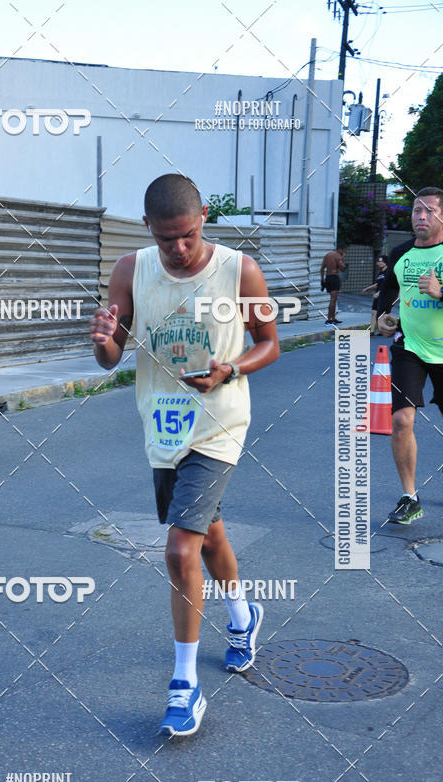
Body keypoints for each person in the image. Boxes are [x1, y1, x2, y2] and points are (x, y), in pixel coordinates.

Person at [89, 174, 279, 737]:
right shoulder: (131, 270)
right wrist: (102, 340)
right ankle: (243, 618)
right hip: (164, 426)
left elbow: (269, 343)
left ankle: (185, 685)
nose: (179, 248)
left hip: (220, 425)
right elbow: (109, 358)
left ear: (203, 222)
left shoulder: (239, 270)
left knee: (178, 549)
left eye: (189, 235)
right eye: (167, 237)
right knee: (207, 534)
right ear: (149, 228)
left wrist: (230, 369)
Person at [377, 187, 443, 525]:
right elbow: (389, 287)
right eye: (417, 210)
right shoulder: (401, 252)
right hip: (410, 347)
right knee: (402, 420)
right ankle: (409, 497)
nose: (421, 216)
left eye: (429, 211)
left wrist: (440, 291)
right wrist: (382, 314)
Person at [361, 253, 388, 335]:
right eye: (378, 261)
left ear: (386, 262)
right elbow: (377, 284)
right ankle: (372, 331)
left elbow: (385, 285)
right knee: (374, 312)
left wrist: (379, 293)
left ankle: (384, 329)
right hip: (377, 294)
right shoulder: (380, 273)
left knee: (383, 314)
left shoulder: (388, 272)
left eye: (381, 261)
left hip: (384, 295)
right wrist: (367, 289)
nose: (379, 263)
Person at [320, 246, 346, 325]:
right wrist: (342, 258)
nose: (343, 253)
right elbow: (343, 268)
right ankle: (329, 319)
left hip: (328, 278)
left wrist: (322, 280)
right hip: (334, 278)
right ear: (340, 249)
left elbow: (322, 268)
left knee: (333, 299)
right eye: (343, 251)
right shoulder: (338, 256)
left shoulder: (327, 255)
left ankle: (333, 318)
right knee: (333, 299)